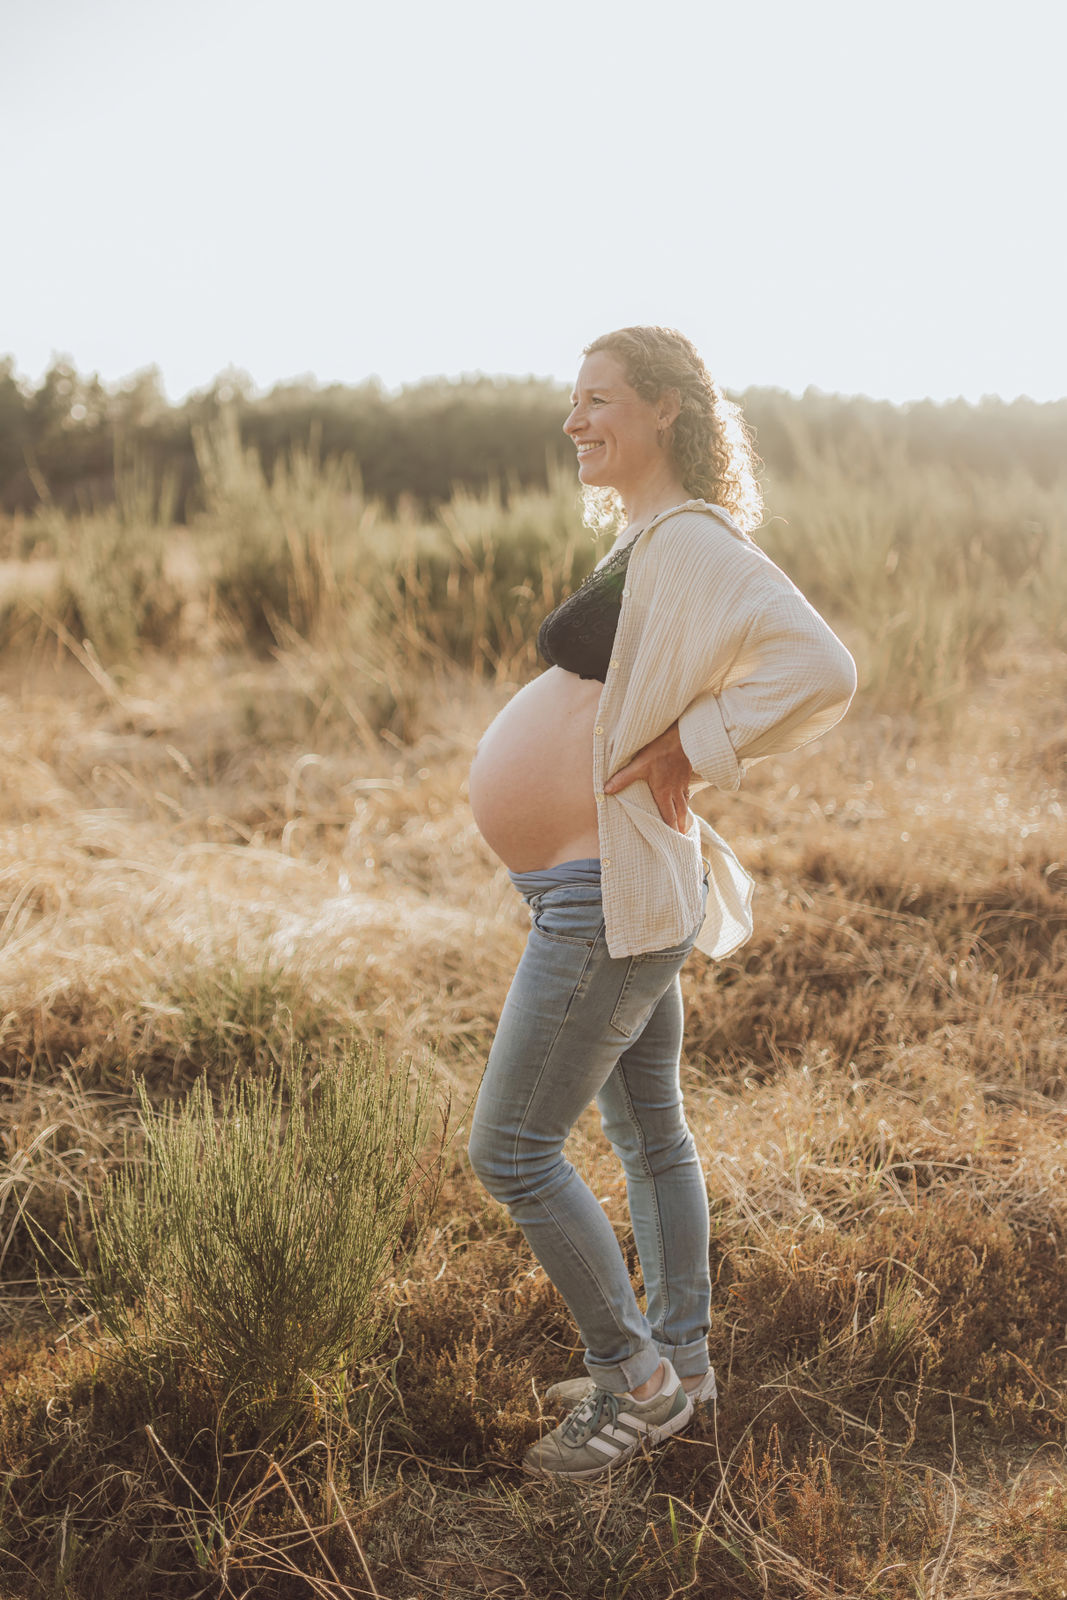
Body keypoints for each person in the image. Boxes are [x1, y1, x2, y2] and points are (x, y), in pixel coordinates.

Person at [466, 326, 856, 1479]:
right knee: (648, 1132)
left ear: (669, 412)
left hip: (607, 901)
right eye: (572, 400)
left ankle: (633, 1385)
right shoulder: (646, 537)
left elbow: (820, 666)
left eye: (598, 400)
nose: (575, 420)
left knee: (513, 1150)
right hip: (606, 887)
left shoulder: (689, 540)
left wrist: (698, 744)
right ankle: (679, 1360)